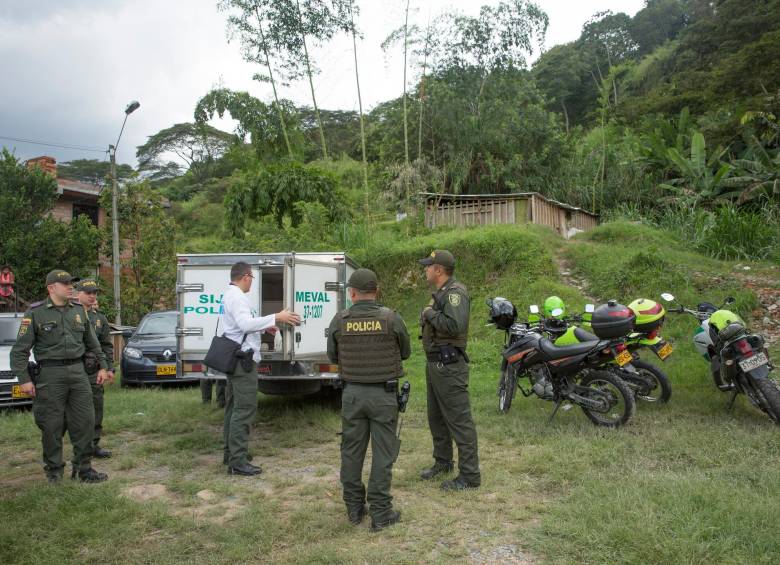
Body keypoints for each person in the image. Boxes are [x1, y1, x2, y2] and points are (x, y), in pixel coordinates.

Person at [327, 268, 411, 531]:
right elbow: (405, 352)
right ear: (376, 291)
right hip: (383, 396)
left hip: (352, 395)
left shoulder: (340, 320)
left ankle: (353, 508)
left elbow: (333, 357)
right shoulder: (391, 318)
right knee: (383, 455)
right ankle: (381, 512)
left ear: (352, 293)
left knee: (351, 452)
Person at [10, 269, 111, 484]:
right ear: (51, 288)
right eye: (65, 284)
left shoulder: (79, 311)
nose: (70, 287)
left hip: (78, 372)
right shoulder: (35, 313)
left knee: (85, 421)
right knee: (51, 425)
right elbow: (19, 351)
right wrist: (24, 379)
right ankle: (54, 472)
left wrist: (103, 366)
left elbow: (92, 342)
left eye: (71, 283)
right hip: (50, 374)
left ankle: (83, 469)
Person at [221, 261, 300, 476]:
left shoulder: (230, 295)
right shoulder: (237, 297)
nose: (252, 284)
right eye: (252, 279)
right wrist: (276, 317)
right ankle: (237, 461)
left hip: (235, 359)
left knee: (233, 407)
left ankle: (231, 454)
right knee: (244, 409)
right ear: (246, 276)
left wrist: (266, 324)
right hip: (242, 362)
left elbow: (243, 324)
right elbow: (245, 325)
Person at [418, 250, 481, 491]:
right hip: (436, 364)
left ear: (439, 270)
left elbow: (455, 326)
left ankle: (470, 475)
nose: (425, 269)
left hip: (450, 366)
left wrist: (429, 313)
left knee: (459, 420)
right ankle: (443, 462)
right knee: (437, 418)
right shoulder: (442, 293)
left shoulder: (455, 293)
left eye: (428, 266)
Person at [73, 279, 115, 458]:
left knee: (96, 408)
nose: (92, 296)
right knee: (75, 411)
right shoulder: (69, 314)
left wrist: (109, 368)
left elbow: (106, 345)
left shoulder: (99, 318)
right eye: (88, 293)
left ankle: (93, 445)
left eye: (94, 293)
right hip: (74, 369)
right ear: (78, 294)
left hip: (94, 370)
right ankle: (80, 446)